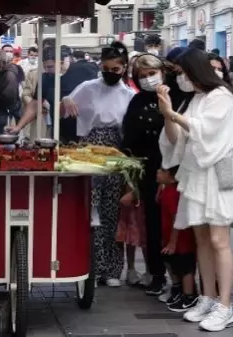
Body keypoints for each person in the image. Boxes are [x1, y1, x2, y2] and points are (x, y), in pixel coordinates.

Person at [157, 48, 233, 331]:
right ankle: (208, 297)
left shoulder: (221, 97)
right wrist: (168, 113)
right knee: (202, 239)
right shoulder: (196, 99)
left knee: (219, 240)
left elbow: (206, 131)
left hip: (218, 177)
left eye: (182, 73)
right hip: (197, 176)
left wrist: (172, 113)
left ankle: (225, 305)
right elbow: (177, 140)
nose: (180, 78)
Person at [62, 41, 136, 287]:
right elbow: (65, 105)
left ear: (124, 68)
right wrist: (65, 100)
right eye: (106, 68)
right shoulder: (88, 87)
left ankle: (113, 269)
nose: (110, 72)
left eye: (115, 69)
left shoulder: (129, 95)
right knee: (90, 209)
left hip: (116, 149)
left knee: (112, 211)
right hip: (89, 147)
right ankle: (89, 268)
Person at [121, 54, 172, 293]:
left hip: (174, 169)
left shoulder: (175, 96)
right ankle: (157, 273)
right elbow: (129, 139)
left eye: (152, 73)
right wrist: (132, 180)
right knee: (152, 225)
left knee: (174, 225)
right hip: (147, 170)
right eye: (142, 76)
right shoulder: (137, 102)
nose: (148, 79)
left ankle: (183, 279)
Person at [157, 166, 198, 312]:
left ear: (171, 176)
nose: (157, 172)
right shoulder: (165, 189)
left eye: (161, 171)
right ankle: (178, 288)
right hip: (169, 236)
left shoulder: (175, 193)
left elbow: (176, 216)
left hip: (182, 239)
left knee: (185, 265)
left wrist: (173, 241)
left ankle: (189, 295)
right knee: (169, 260)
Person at [0, 51, 22, 136]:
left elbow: (8, 98)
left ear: (3, 63)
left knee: (2, 137)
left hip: (4, 113)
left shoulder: (9, 75)